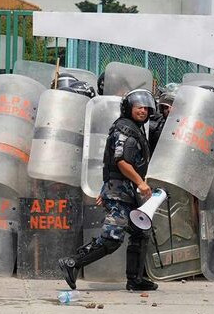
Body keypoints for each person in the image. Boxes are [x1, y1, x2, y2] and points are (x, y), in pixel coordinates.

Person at [60, 87, 158, 293]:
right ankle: (72, 263)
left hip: (124, 192)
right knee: (112, 238)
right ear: (128, 108)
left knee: (141, 233)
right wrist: (140, 183)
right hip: (120, 193)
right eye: (138, 107)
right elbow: (121, 162)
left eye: (146, 108)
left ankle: (135, 279)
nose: (143, 111)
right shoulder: (124, 130)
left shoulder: (134, 128)